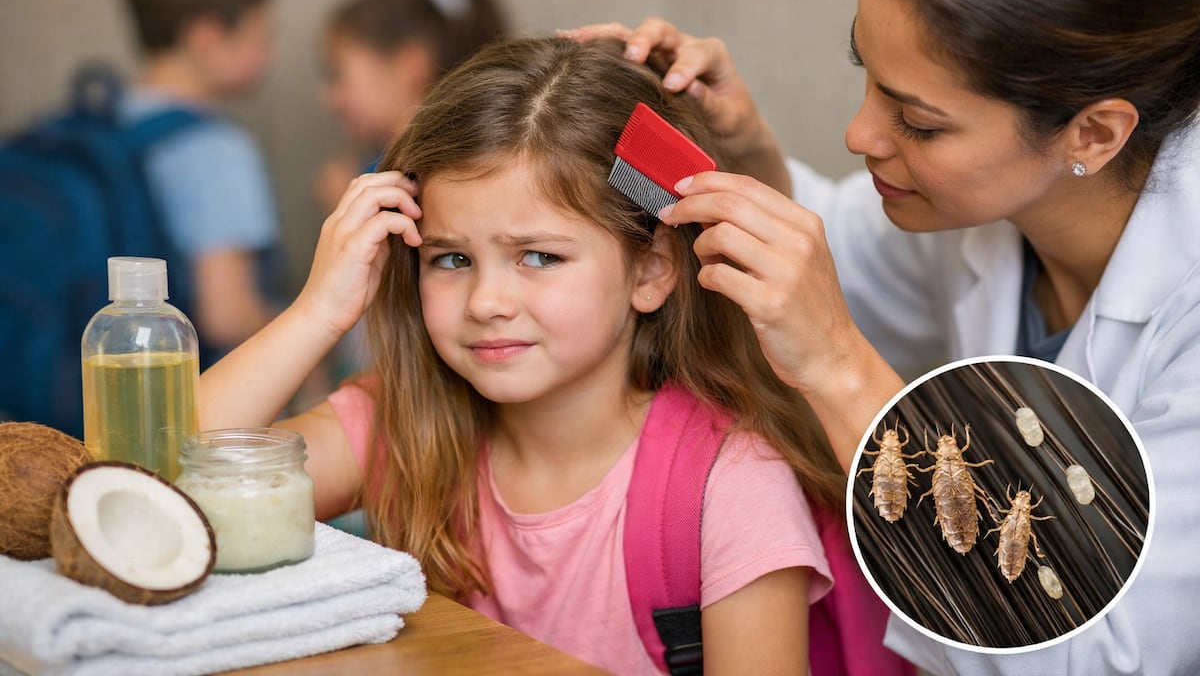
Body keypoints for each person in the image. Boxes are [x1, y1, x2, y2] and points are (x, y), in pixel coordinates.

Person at [566, 0, 1200, 673]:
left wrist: (837, 367)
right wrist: (745, 154)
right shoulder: (982, 207)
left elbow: (1102, 656)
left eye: (920, 122)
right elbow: (848, 266)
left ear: (1094, 133)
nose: (860, 132)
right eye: (865, 72)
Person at [196, 36, 895, 675]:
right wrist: (318, 311)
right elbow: (152, 488)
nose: (487, 301)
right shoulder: (401, 421)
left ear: (651, 271)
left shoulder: (733, 482)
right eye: (451, 258)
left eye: (539, 256)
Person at [121, 0, 281, 362]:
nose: (269, 54)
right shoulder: (217, 150)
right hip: (187, 397)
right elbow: (227, 314)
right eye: (261, 35)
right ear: (208, 38)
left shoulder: (109, 120)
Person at [314, 0, 509, 214]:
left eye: (338, 75)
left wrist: (346, 210)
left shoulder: (440, 175)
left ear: (410, 66)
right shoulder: (379, 166)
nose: (327, 97)